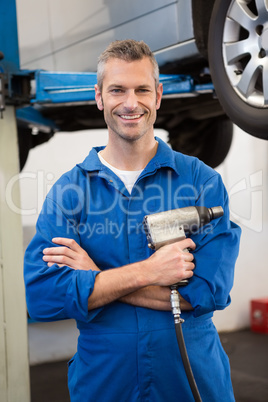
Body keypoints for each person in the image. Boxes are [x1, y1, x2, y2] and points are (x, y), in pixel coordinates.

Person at [24, 39, 241, 401]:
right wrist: (149, 273)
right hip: (105, 383)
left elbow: (208, 292)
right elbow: (43, 297)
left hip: (191, 383)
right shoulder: (69, 192)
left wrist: (96, 279)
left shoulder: (202, 182)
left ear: (157, 96)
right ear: (99, 97)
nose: (130, 103)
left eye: (141, 89)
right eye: (117, 90)